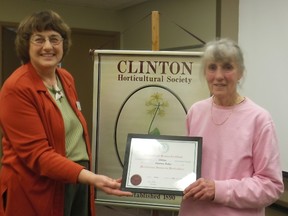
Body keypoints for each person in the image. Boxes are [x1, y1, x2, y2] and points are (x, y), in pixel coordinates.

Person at [0, 10, 132, 216]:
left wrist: (85, 176)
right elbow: (38, 155)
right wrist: (90, 177)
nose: (47, 47)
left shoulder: (65, 78)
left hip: (76, 180)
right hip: (38, 188)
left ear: (63, 44)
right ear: (26, 45)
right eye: (39, 40)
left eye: (54, 39)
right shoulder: (16, 88)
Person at [178, 38, 284, 216]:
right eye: (212, 67)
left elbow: (271, 186)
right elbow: (187, 167)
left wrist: (218, 190)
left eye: (227, 67)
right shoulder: (195, 112)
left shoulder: (259, 119)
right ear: (205, 72)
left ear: (240, 72)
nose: (219, 76)